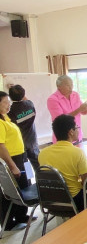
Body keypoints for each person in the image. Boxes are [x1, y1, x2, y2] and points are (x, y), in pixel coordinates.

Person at [38, 114, 87, 212]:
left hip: (50, 200)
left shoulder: (43, 153)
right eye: (76, 128)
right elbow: (86, 182)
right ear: (71, 132)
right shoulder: (77, 152)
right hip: (74, 200)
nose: (78, 130)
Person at [0, 91, 30, 231]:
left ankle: (21, 216)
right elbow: (1, 146)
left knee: (22, 186)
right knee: (10, 191)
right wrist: (12, 166)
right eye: (5, 102)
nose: (9, 105)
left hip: (20, 156)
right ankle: (7, 222)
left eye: (9, 102)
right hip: (11, 159)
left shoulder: (5, 118)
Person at [47, 75, 87, 143]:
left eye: (72, 84)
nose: (71, 87)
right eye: (67, 85)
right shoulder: (52, 99)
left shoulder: (75, 95)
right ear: (58, 86)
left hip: (77, 135)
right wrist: (79, 110)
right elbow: (61, 120)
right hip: (64, 138)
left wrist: (86, 110)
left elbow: (80, 110)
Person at [8, 85, 40, 171]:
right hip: (33, 141)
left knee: (26, 166)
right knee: (38, 164)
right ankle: (43, 181)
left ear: (9, 97)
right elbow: (24, 98)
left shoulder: (11, 111)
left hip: (22, 144)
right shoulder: (30, 104)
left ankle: (29, 182)